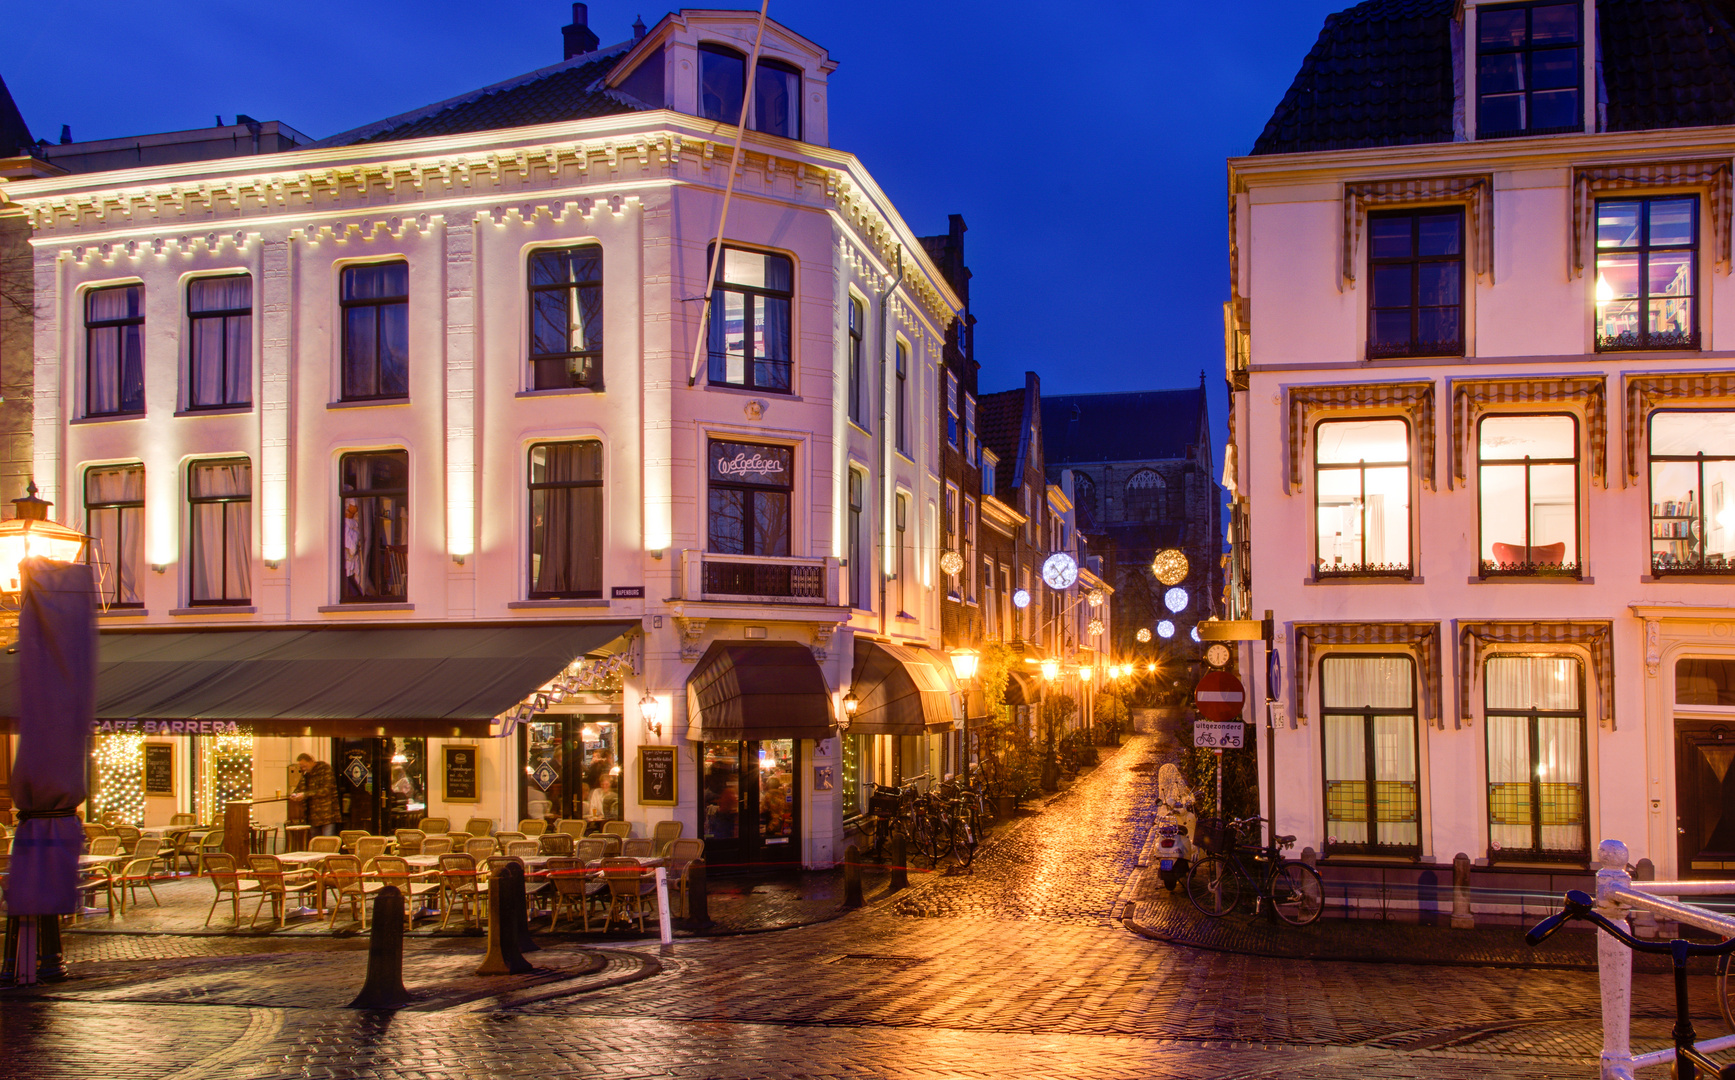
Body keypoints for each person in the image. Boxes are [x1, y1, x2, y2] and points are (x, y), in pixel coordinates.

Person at [289, 753, 341, 836]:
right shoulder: (307, 775)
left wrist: (304, 795)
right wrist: (295, 794)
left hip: (327, 815)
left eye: (304, 766)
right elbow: (300, 788)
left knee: (328, 842)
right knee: (316, 843)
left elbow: (326, 790)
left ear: (311, 761)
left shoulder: (325, 769)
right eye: (301, 767)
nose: (303, 768)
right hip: (313, 816)